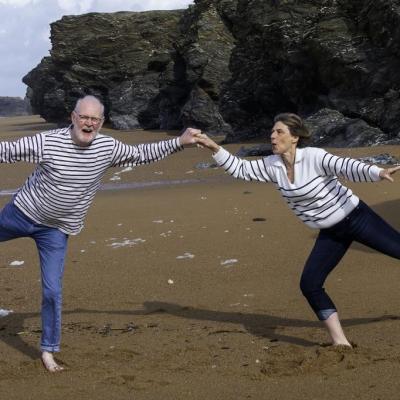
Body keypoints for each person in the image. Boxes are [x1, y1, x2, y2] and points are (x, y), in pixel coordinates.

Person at [0, 95, 200, 372]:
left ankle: (48, 351)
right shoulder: (47, 142)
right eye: (84, 117)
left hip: (56, 231)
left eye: (94, 119)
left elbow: (140, 154)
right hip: (20, 215)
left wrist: (179, 142)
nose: (89, 123)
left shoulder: (107, 147)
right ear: (73, 117)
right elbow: (5, 151)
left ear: (102, 122)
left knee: (52, 291)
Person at [195, 112, 400, 347]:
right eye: (272, 132)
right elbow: (240, 169)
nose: (273, 136)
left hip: (356, 218)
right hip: (331, 233)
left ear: (295, 137)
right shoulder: (272, 166)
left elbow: (345, 166)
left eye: (279, 131)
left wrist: (378, 172)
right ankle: (340, 342)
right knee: (310, 285)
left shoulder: (313, 157)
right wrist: (212, 145)